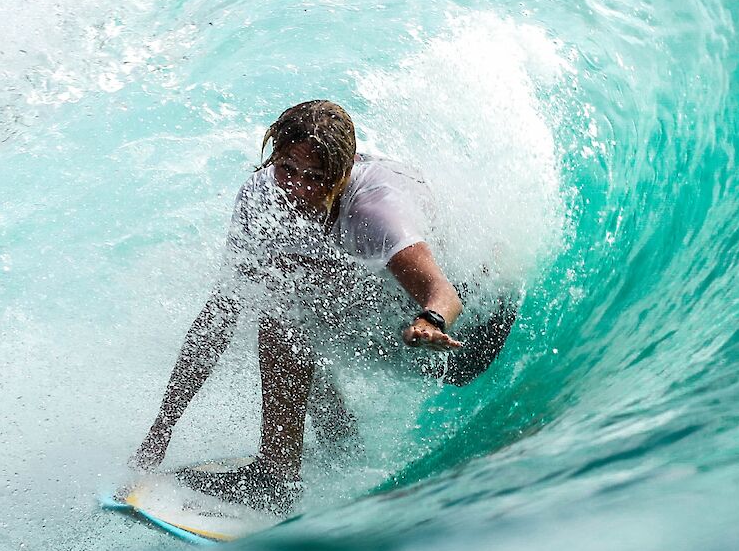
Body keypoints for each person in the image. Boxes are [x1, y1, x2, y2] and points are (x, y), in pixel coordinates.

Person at [129, 100, 515, 513]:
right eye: (287, 169)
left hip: (465, 338)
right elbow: (219, 318)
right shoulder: (262, 196)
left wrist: (430, 321)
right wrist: (161, 429)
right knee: (285, 293)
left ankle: (278, 477)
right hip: (387, 317)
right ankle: (338, 445)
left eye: (315, 177)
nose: (297, 188)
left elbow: (444, 293)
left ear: (343, 174)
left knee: (286, 317)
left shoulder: (374, 212)